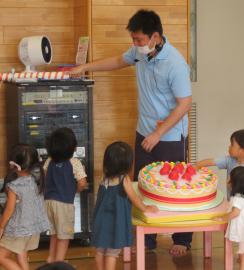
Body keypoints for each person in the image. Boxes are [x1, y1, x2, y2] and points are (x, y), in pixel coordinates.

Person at [69, 9, 192, 256]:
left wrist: (159, 134)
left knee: (174, 186)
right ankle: (147, 239)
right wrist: (85, 67)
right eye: (133, 40)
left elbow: (184, 104)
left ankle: (182, 238)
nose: (135, 44)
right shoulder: (139, 53)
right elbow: (117, 61)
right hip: (144, 129)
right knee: (143, 183)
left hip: (169, 134)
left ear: (155, 37)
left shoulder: (175, 63)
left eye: (139, 40)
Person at [92, 141, 158, 270]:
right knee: (112, 254)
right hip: (115, 223)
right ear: (128, 164)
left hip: (100, 221)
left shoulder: (103, 177)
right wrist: (145, 207)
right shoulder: (124, 179)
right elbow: (134, 198)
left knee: (100, 252)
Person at [0, 144, 49, 270]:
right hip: (33, 228)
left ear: (14, 164)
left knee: (1, 256)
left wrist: (1, 227)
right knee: (21, 255)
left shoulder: (15, 186)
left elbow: (9, 209)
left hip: (18, 230)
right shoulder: (36, 181)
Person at [43, 127, 88, 262]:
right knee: (64, 236)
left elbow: (46, 177)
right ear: (72, 148)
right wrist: (75, 190)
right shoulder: (74, 162)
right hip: (64, 204)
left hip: (48, 203)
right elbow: (82, 183)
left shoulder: (49, 161)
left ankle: (51, 258)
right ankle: (59, 262)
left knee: (54, 233)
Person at [195, 129, 244, 199]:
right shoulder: (230, 159)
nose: (229, 147)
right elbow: (212, 161)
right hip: (234, 202)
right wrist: (197, 165)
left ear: (243, 151)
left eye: (232, 145)